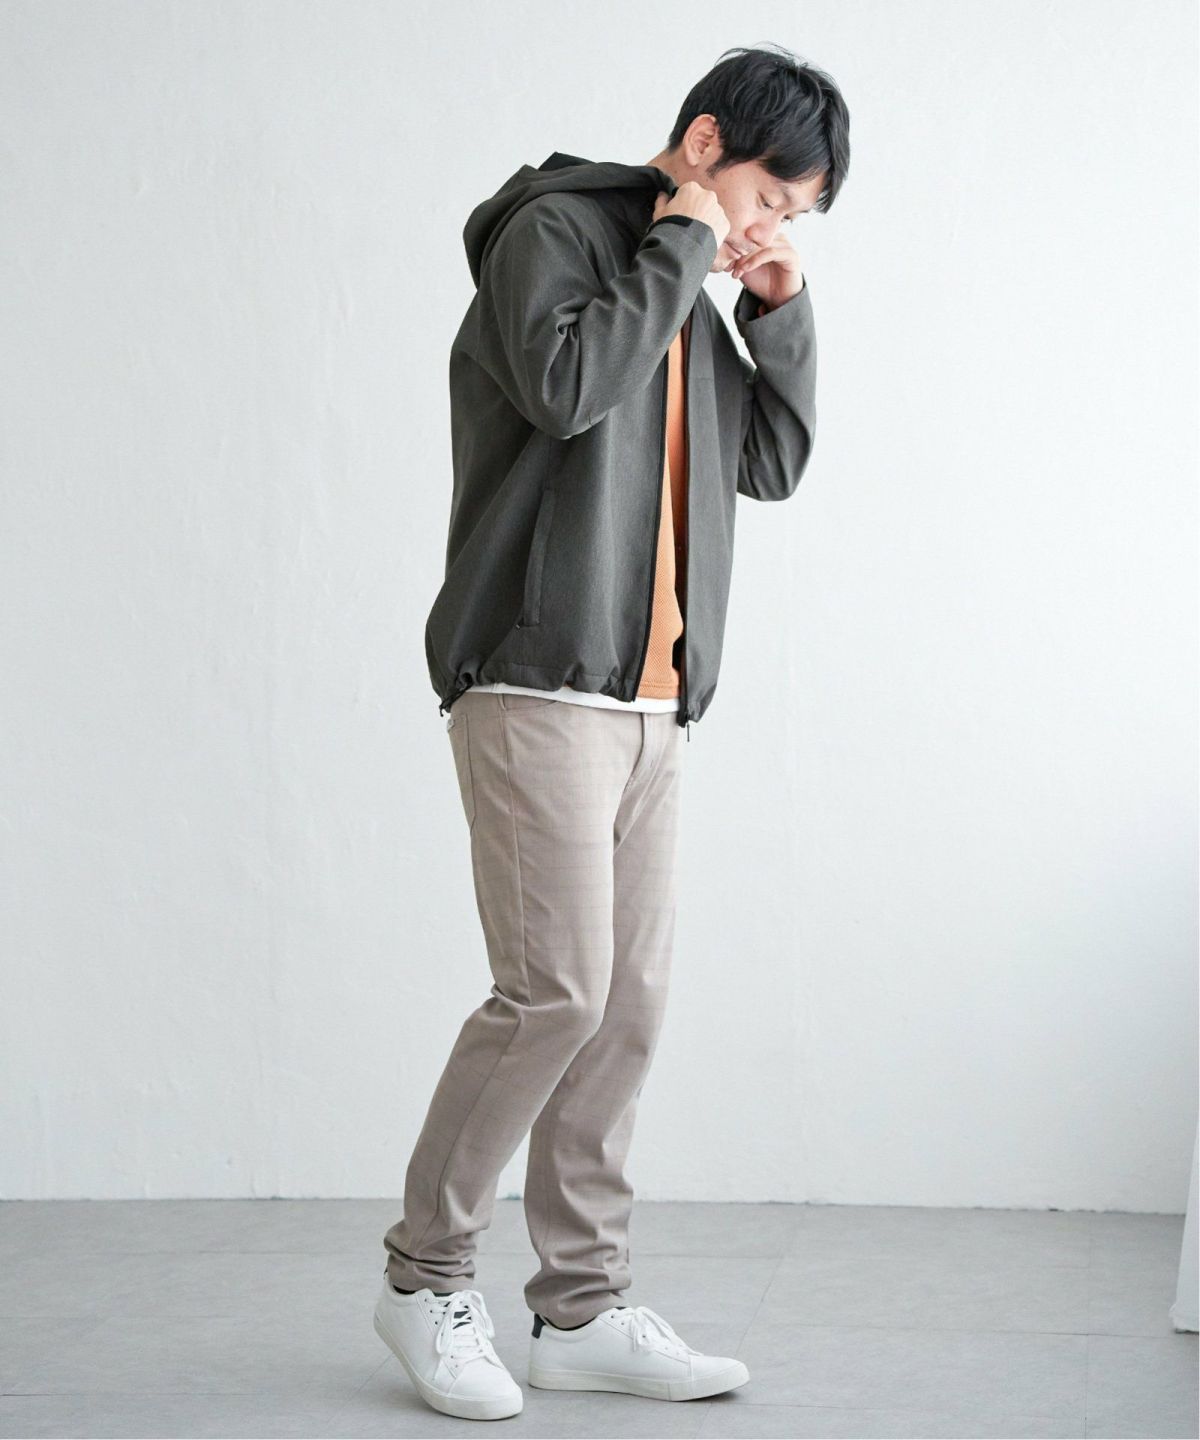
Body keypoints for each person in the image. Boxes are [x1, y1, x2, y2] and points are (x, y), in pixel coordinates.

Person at [374, 42, 850, 1422]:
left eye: (794, 217)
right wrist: (685, 245)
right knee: (554, 996)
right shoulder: (560, 234)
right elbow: (569, 389)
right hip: (536, 678)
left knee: (623, 1011)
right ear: (704, 144)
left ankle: (578, 1310)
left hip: (652, 703)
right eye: (769, 195)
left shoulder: (691, 285)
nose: (768, 224)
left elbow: (767, 463)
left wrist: (777, 306)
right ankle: (422, 1277)